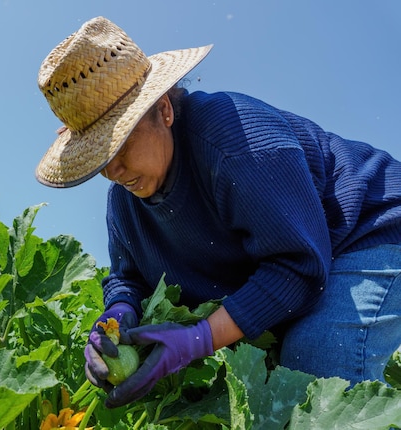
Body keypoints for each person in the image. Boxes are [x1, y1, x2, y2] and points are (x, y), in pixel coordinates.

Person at [35, 16, 401, 408]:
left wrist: (198, 340)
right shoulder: (124, 200)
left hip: (369, 231)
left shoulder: (236, 142)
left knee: (315, 363)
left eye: (121, 146)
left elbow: (299, 267)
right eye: (100, 159)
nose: (113, 170)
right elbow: (129, 278)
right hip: (317, 263)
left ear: (163, 110)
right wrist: (119, 313)